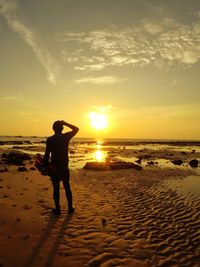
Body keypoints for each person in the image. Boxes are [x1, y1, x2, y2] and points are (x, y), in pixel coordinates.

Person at [44, 120, 79, 215]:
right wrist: (66, 123)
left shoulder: (50, 140)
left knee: (56, 189)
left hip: (54, 167)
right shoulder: (65, 137)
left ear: (53, 129)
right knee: (67, 187)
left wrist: (46, 168)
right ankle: (70, 207)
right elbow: (76, 129)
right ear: (62, 128)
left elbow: (46, 156)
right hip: (64, 167)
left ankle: (58, 209)